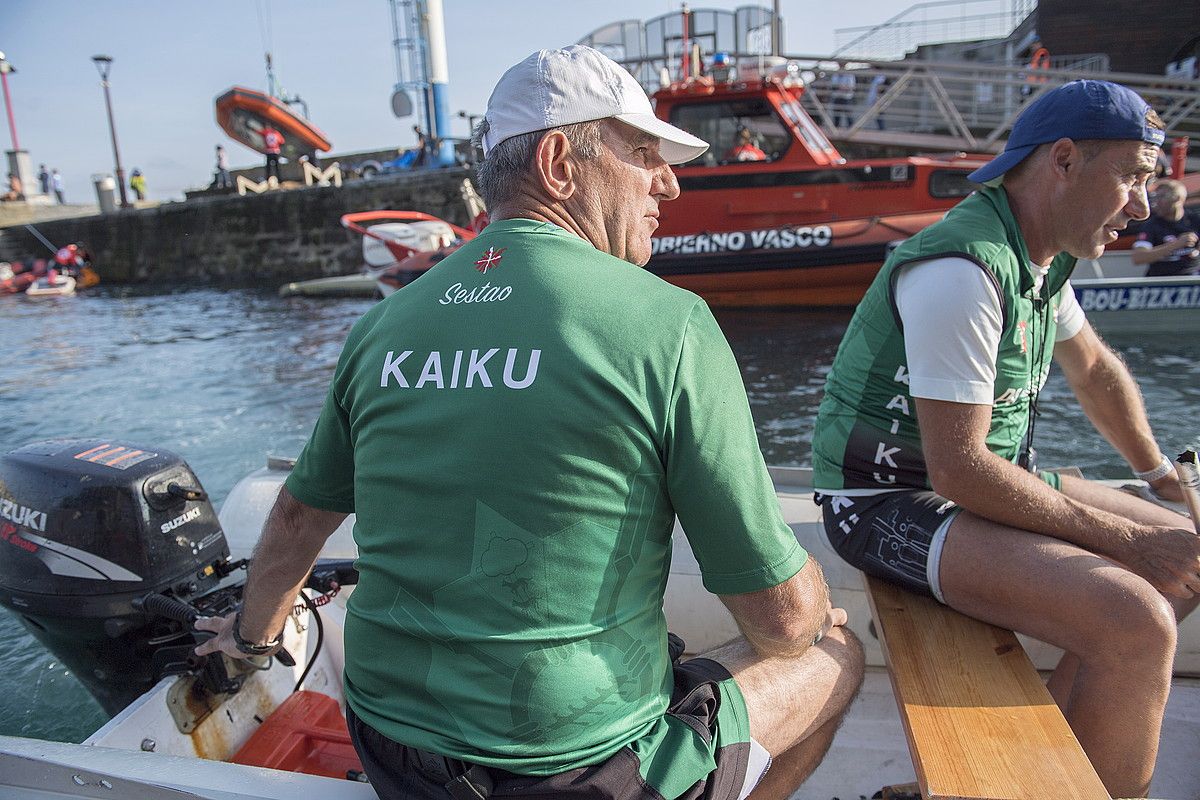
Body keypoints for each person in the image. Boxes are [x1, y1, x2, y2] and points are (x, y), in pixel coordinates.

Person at [196, 44, 863, 800]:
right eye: (644, 153)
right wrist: (813, 612)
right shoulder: (666, 324)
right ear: (558, 162)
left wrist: (250, 642)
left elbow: (294, 518)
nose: (669, 184)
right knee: (835, 658)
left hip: (391, 748)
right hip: (573, 774)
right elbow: (777, 620)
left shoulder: (387, 322)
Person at [811, 79, 1195, 799]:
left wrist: (1157, 475)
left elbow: (1096, 375)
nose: (1144, 206)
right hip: (885, 504)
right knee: (1138, 618)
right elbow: (958, 471)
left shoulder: (1044, 254)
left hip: (986, 479)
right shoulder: (962, 271)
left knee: (1186, 563)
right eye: (1134, 177)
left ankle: (1060, 775)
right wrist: (1130, 542)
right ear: (1065, 160)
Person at [1130, 178, 1200, 276]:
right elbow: (1139, 257)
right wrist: (1176, 245)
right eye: (1155, 197)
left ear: (1177, 199)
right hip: (1161, 281)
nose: (1156, 202)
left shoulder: (1194, 220)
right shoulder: (1152, 225)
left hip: (1190, 281)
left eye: (1162, 197)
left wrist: (1197, 250)